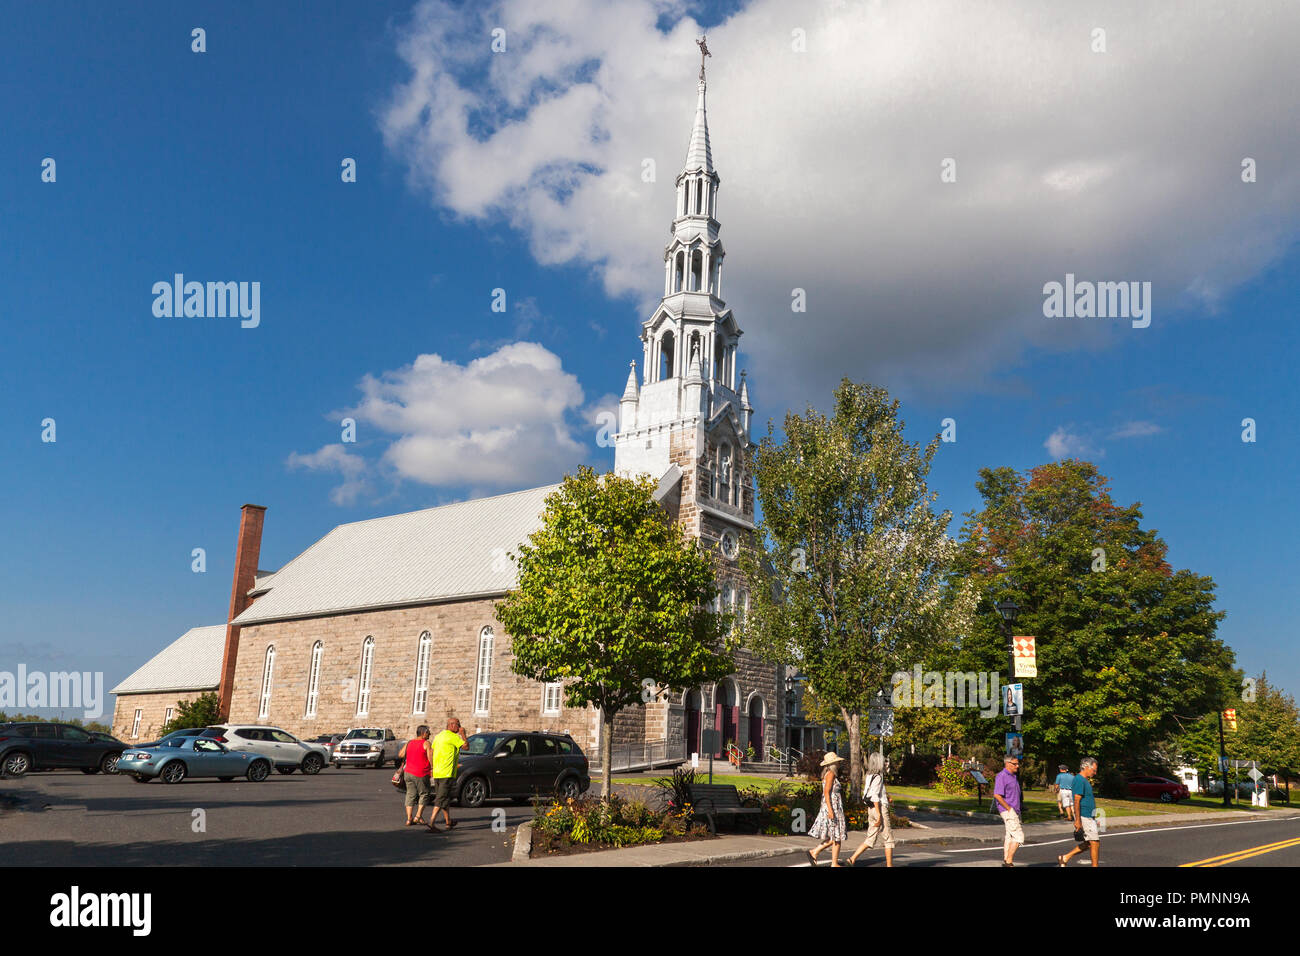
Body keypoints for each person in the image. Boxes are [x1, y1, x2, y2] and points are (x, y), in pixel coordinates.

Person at [847, 752, 894, 867]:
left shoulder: (869, 776)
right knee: (888, 838)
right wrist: (879, 815)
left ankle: (852, 859)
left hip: (870, 808)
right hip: (879, 810)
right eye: (883, 762)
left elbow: (872, 793)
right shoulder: (877, 777)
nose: (884, 764)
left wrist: (886, 797)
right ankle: (889, 865)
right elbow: (874, 797)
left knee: (871, 837)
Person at [428, 717, 468, 833]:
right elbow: (466, 746)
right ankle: (431, 822)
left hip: (438, 772)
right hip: (447, 772)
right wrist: (463, 734)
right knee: (440, 798)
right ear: (451, 725)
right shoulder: (454, 737)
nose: (459, 727)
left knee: (445, 798)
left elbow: (431, 751)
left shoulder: (439, 736)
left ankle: (448, 821)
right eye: (458, 724)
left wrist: (432, 766)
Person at [807, 752, 847, 867]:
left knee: (834, 836)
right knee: (837, 836)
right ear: (833, 763)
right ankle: (831, 862)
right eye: (837, 761)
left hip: (833, 807)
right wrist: (830, 810)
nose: (839, 763)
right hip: (832, 807)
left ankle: (815, 852)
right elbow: (826, 793)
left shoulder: (829, 774)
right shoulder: (830, 775)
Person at [1059, 757, 1100, 867]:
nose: (1095, 773)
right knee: (1094, 843)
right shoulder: (1079, 780)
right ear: (1086, 767)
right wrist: (1078, 820)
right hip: (1084, 816)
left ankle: (1065, 857)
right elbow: (1076, 800)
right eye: (1094, 770)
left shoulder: (1084, 780)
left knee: (1089, 844)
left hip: (1089, 816)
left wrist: (1094, 818)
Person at [398, 725, 433, 826]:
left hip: (408, 772)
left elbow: (400, 754)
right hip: (421, 773)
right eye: (428, 732)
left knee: (410, 794)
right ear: (423, 733)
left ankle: (409, 818)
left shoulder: (409, 742)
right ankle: (418, 816)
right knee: (424, 794)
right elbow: (430, 758)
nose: (429, 734)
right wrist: (433, 769)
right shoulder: (426, 743)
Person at [993, 755, 1024, 867]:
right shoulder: (1002, 776)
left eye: (1017, 763)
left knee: (1010, 835)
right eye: (1015, 764)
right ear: (1007, 764)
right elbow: (997, 795)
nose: (1017, 766)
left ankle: (1006, 859)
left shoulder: (1013, 776)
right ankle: (1009, 862)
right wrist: (1009, 808)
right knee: (1019, 836)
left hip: (1015, 810)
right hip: (1008, 810)